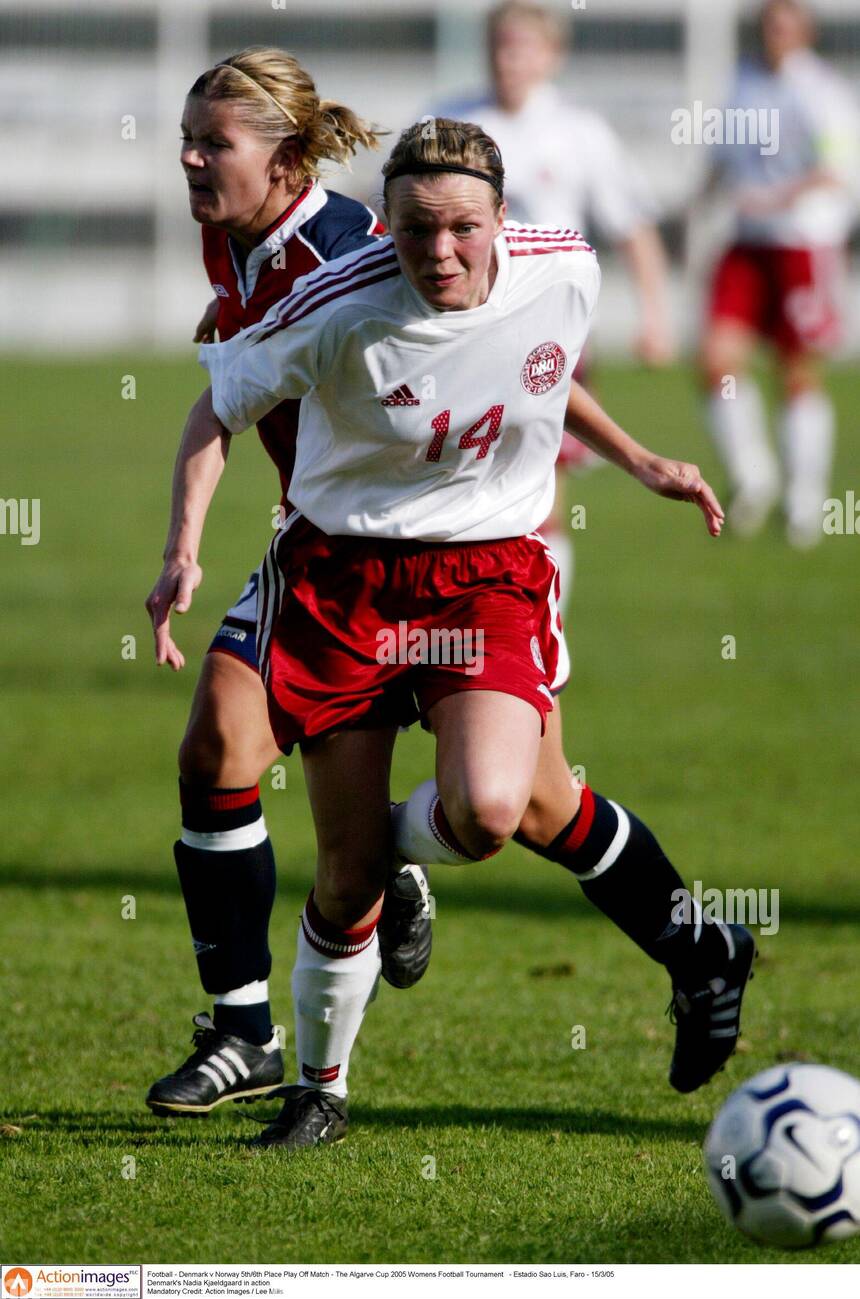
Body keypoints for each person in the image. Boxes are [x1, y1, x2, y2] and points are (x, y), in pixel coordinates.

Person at [152, 118, 755, 1151]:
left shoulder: (562, 266)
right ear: (380, 228)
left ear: (502, 221)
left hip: (483, 580)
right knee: (383, 859)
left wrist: (643, 459)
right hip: (343, 581)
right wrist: (183, 551)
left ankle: (684, 945)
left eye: (463, 229)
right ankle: (318, 1090)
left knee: (488, 806)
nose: (440, 253)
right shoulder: (333, 306)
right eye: (416, 230)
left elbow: (537, 363)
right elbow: (218, 407)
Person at [143, 47, 437, 1119]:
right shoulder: (238, 240)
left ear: (286, 157)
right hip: (313, 548)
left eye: (213, 142)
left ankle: (391, 863)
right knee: (217, 747)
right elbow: (232, 390)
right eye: (188, 137)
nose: (189, 157)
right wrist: (183, 549)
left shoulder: (354, 251)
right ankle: (240, 1032)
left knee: (515, 807)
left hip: (422, 564)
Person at [437, 0, 676, 603]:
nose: (507, 58)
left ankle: (543, 632)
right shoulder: (449, 123)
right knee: (454, 469)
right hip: (457, 330)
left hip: (547, 332)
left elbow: (633, 228)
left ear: (550, 55)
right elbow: (392, 214)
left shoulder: (579, 133)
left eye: (521, 46)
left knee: (540, 479)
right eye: (498, 44)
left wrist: (656, 316)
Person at [700, 0, 860, 547]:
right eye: (768, 22)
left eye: (785, 22)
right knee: (716, 360)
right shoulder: (742, 79)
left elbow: (833, 170)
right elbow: (723, 161)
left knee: (796, 370)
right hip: (747, 243)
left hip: (802, 242)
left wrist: (774, 198)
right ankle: (753, 476)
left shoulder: (822, 91)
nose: (775, 32)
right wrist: (696, 204)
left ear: (805, 29)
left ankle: (805, 497)